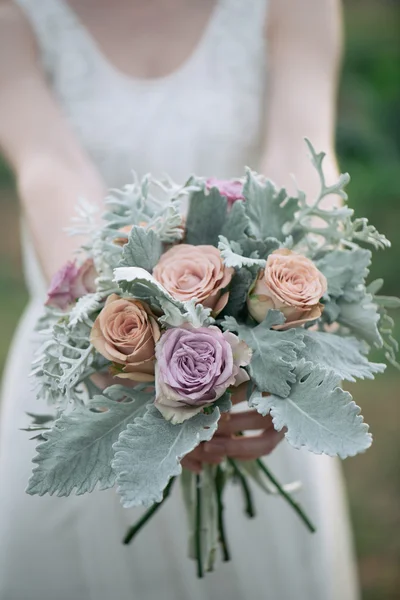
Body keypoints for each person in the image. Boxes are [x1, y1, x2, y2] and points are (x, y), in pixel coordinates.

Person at [0, 0, 359, 598]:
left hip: (253, 360)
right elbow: (48, 165)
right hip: (90, 363)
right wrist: (113, 334)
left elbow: (300, 156)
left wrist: (281, 332)